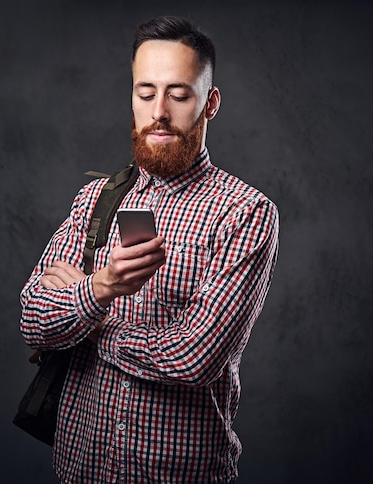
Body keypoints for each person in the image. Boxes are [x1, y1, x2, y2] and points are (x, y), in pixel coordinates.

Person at [20, 15, 279, 483]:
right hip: (80, 470)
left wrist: (89, 315)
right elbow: (32, 320)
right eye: (145, 93)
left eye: (179, 94)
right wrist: (99, 288)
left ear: (210, 102)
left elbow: (192, 358)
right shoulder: (97, 198)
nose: (159, 111)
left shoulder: (245, 214)